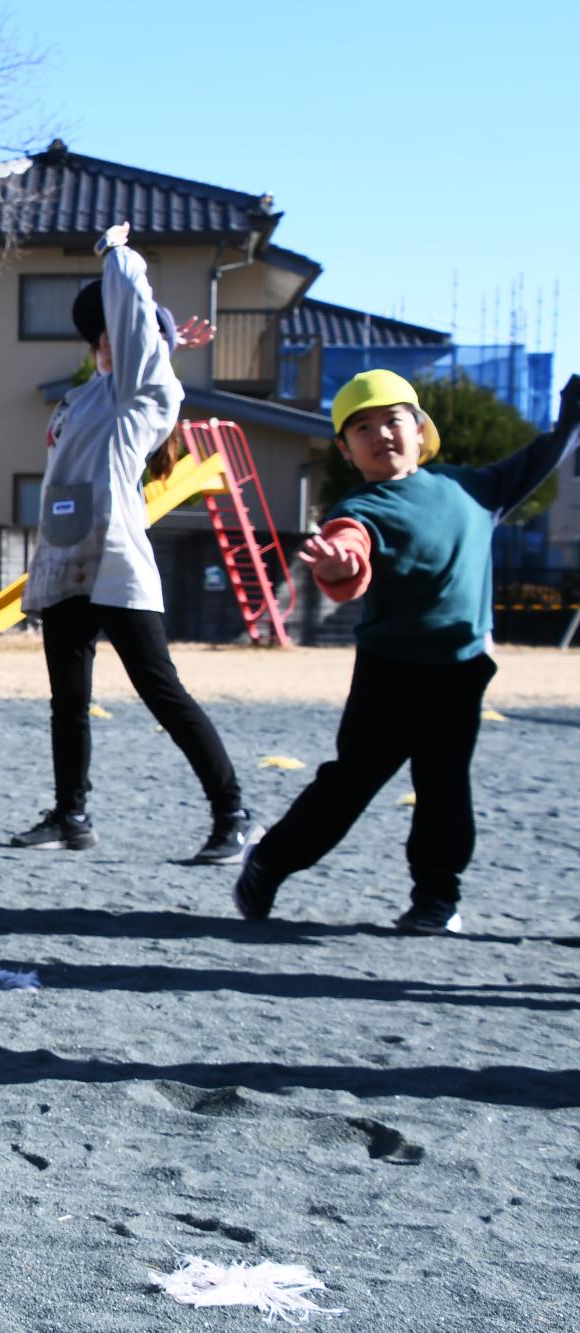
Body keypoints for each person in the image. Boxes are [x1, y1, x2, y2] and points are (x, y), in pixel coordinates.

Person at [235, 371, 580, 933]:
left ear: (420, 430)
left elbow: (541, 457)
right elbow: (350, 544)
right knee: (351, 783)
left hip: (462, 671)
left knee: (445, 785)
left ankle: (436, 899)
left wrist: (571, 418)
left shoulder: (473, 488)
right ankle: (270, 862)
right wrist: (339, 564)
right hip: (390, 675)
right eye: (361, 428)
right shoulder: (363, 506)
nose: (380, 434)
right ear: (347, 451)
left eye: (393, 420)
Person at [11, 221, 255, 863]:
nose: (108, 341)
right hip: (67, 563)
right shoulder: (80, 401)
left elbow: (137, 326)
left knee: (160, 689)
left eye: (123, 332)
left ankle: (232, 811)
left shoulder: (145, 395)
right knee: (68, 700)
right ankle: (71, 812)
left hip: (117, 564)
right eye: (101, 337)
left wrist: (119, 257)